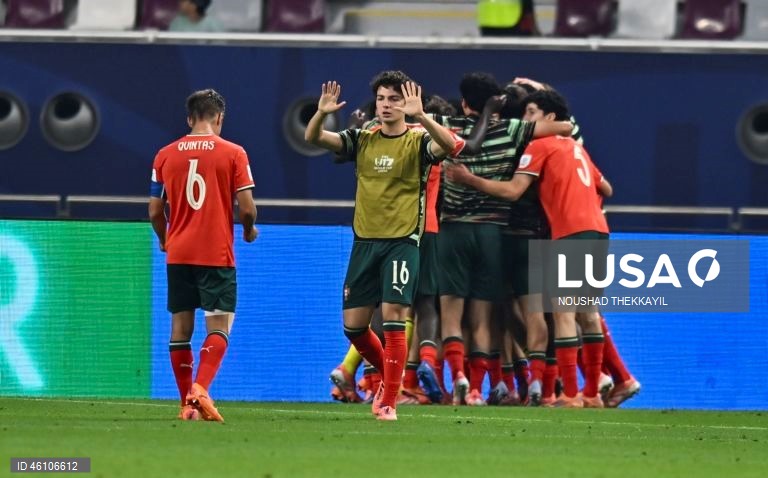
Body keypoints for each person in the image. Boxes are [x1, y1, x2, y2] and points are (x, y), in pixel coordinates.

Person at [305, 71, 459, 420]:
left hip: (402, 242)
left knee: (393, 316)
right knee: (355, 326)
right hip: (364, 242)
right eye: (382, 99)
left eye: (394, 99)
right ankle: (389, 380)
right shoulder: (362, 139)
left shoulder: (418, 141)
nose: (387, 105)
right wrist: (321, 112)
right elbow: (312, 137)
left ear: (406, 104)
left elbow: (450, 146)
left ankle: (388, 399)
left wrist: (422, 117)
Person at [446, 89, 609, 408]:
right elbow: (606, 187)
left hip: (569, 231)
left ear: (550, 118)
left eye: (532, 112)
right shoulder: (577, 149)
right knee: (588, 315)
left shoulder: (540, 145)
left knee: (563, 314)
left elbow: (512, 190)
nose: (525, 119)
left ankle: (571, 395)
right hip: (597, 230)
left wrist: (469, 180)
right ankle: (591, 395)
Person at [149, 89, 257, 422]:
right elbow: (248, 208)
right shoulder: (234, 153)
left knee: (180, 329)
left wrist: (166, 240)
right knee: (220, 325)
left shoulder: (164, 155)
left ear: (189, 118)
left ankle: (186, 404)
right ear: (219, 118)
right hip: (215, 252)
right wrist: (248, 230)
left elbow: (155, 210)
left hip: (178, 253)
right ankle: (200, 389)